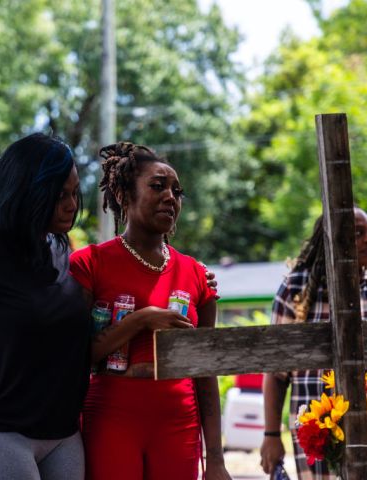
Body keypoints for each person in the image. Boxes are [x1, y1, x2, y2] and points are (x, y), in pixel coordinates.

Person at [69, 142, 231, 480]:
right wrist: (142, 319)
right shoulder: (89, 263)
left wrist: (215, 459)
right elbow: (75, 356)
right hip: (110, 419)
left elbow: (206, 372)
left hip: (179, 423)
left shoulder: (198, 276)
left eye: (176, 191)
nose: (171, 196)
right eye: (157, 186)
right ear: (123, 193)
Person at [260, 207, 367, 480]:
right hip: (317, 438)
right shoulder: (296, 287)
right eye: (358, 233)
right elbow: (276, 372)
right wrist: (271, 435)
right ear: (331, 238)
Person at [0, 133, 90, 480]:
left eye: (75, 192)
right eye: (60, 194)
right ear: (28, 191)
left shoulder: (59, 249)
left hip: (63, 436)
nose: (72, 204)